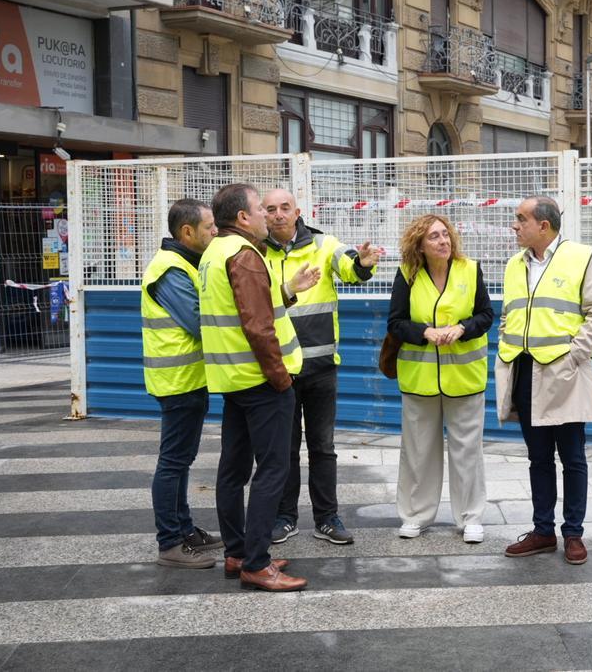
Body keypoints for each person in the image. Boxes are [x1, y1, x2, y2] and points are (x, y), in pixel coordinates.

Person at [199, 183, 320, 592]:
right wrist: (281, 378)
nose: (269, 216)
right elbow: (258, 325)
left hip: (233, 378)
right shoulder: (245, 255)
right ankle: (257, 562)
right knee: (272, 470)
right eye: (260, 209)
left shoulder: (216, 252)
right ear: (243, 218)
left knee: (232, 468)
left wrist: (288, 290)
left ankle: (238, 552)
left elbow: (251, 307)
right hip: (261, 379)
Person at [497, 196, 592, 565]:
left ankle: (573, 534)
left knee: (573, 457)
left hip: (565, 375)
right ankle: (543, 531)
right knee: (538, 458)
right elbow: (509, 315)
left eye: (521, 219)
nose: (515, 226)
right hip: (525, 373)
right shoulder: (514, 264)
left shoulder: (582, 257)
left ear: (543, 226)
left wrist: (574, 357)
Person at [263, 189, 380, 546]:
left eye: (285, 208)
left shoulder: (323, 245)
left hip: (321, 368)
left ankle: (326, 517)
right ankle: (285, 518)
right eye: (271, 209)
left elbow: (350, 268)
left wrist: (362, 263)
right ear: (263, 215)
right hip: (279, 369)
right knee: (283, 447)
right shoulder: (255, 252)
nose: (279, 214)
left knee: (322, 447)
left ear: (298, 211)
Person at [387, 215, 493, 543]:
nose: (443, 241)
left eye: (445, 235)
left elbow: (487, 315)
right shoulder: (407, 275)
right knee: (418, 451)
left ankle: (471, 517)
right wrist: (425, 332)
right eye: (433, 237)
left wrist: (462, 328)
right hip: (419, 379)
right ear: (419, 244)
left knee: (467, 452)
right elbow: (396, 322)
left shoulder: (470, 269)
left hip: (465, 377)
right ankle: (415, 516)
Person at [141, 199, 222, 569]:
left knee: (182, 460)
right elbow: (197, 321)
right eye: (209, 227)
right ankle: (170, 543)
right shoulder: (170, 270)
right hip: (177, 382)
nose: (215, 232)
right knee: (173, 462)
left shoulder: (183, 264)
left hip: (188, 379)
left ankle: (185, 530)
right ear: (187, 232)